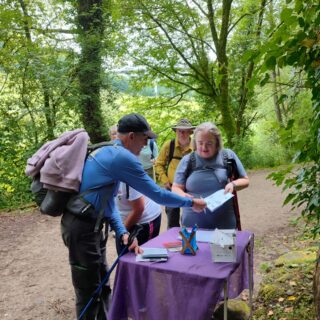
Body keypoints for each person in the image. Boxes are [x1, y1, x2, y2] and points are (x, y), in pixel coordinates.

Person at [61, 113, 206, 319]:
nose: (146, 145)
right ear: (131, 136)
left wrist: (122, 231)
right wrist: (191, 202)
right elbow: (157, 195)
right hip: (81, 228)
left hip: (90, 227)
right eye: (145, 139)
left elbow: (108, 201)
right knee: (89, 289)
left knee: (102, 283)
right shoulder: (122, 157)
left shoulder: (108, 151)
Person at [172, 121, 249, 230]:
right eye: (200, 143)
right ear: (195, 143)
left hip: (225, 227)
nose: (204, 147)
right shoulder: (187, 160)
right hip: (192, 228)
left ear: (217, 143)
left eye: (209, 143)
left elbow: (245, 180)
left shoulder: (228, 156)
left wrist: (233, 184)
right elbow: (175, 188)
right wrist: (188, 200)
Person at [155, 118, 195, 228]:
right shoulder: (169, 145)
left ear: (190, 132)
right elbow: (159, 164)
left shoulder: (196, 146)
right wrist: (165, 180)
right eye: (179, 130)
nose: (182, 133)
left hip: (191, 189)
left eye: (185, 130)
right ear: (176, 131)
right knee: (172, 220)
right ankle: (174, 243)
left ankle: (190, 242)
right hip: (171, 188)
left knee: (191, 219)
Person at [116, 181, 162, 249]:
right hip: (125, 218)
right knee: (123, 253)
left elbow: (139, 209)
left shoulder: (128, 178)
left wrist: (122, 231)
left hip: (143, 220)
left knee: (141, 255)